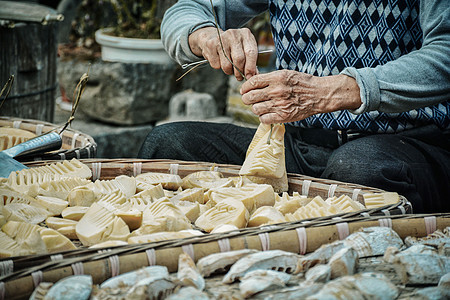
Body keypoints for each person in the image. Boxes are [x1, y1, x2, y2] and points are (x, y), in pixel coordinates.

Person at [138, 0, 450, 213]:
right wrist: (205, 36)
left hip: (412, 143)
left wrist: (329, 92)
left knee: (356, 169)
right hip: (299, 143)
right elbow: (187, 9)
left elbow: (445, 54)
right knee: (166, 145)